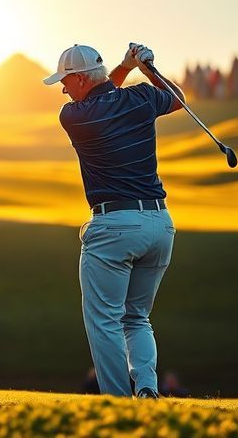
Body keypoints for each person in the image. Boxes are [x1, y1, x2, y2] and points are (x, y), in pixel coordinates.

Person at [43, 43, 183, 398]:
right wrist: (144, 68)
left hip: (113, 227)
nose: (62, 88)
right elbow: (178, 99)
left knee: (104, 321)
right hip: (159, 223)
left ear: (79, 79)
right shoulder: (141, 98)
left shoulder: (73, 116)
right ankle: (148, 389)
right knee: (136, 318)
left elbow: (104, 95)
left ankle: (118, 402)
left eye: (65, 80)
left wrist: (126, 68)